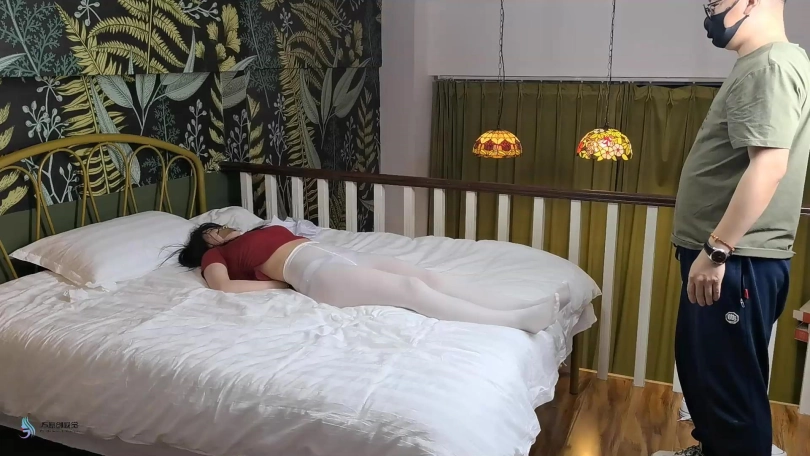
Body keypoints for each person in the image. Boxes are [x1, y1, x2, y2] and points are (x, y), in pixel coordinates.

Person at [655, 1, 810, 456]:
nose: (709, 14)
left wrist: (717, 249)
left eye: (715, 3)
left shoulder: (770, 65)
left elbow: (769, 166)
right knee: (708, 374)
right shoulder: (764, 63)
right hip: (728, 256)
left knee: (730, 389)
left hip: (735, 258)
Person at [174, 223, 569, 334]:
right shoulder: (214, 255)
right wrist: (277, 285)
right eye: (217, 228)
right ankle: (517, 321)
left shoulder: (256, 230)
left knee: (426, 275)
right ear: (208, 237)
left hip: (337, 255)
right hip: (313, 274)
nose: (227, 227)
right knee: (410, 290)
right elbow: (223, 286)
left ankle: (521, 304)